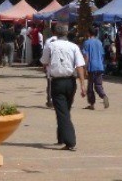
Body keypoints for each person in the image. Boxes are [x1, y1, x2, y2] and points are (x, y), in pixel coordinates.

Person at [40, 23, 86, 151]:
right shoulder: (74, 47)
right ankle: (61, 137)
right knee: (65, 110)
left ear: (55, 33)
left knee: (62, 112)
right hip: (71, 82)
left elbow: (44, 61)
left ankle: (70, 141)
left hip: (57, 81)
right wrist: (82, 84)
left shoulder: (51, 45)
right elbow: (80, 65)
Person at [82, 26, 109, 110]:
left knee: (90, 86)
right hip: (99, 66)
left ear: (88, 33)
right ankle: (103, 95)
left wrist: (84, 68)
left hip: (91, 66)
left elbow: (86, 56)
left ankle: (92, 104)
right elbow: (102, 55)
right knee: (98, 85)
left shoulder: (87, 43)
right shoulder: (99, 42)